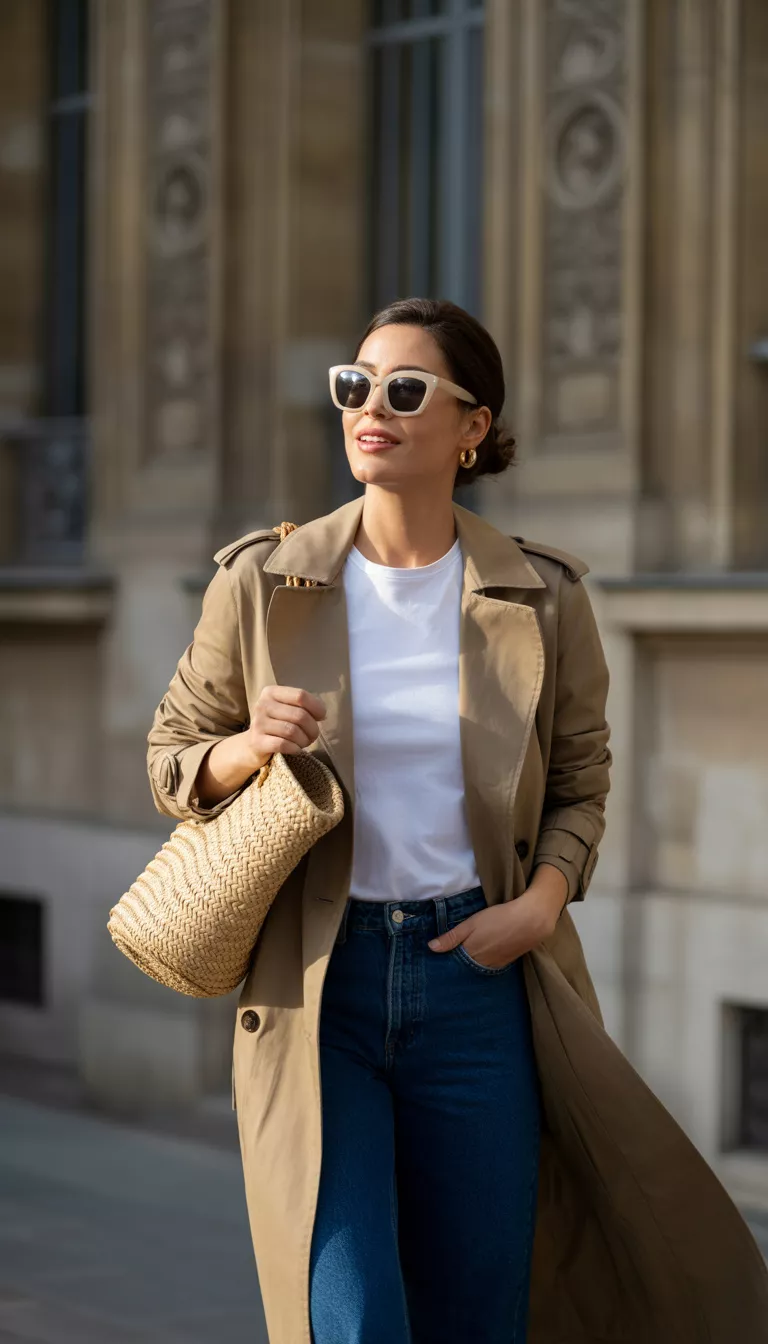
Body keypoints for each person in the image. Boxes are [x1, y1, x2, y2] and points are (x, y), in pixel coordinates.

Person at [146, 297, 768, 1344]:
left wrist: (540, 905)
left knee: (480, 1310)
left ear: (473, 426)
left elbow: (583, 779)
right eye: (354, 386)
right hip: (320, 987)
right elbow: (172, 760)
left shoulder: (542, 595)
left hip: (478, 982)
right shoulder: (263, 582)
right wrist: (246, 748)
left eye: (404, 390)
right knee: (349, 1315)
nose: (368, 410)